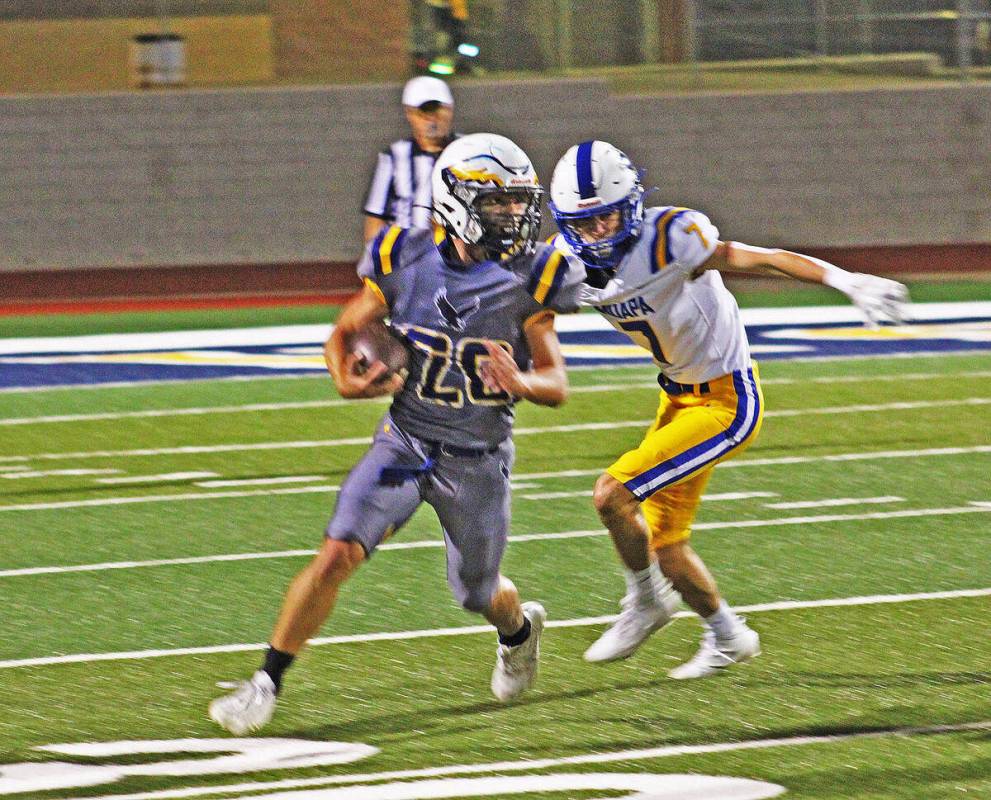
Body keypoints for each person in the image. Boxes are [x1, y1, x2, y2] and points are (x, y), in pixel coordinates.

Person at [209, 133, 585, 734]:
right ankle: (266, 681)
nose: (514, 217)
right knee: (337, 553)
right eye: (499, 204)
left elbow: (557, 382)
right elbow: (342, 333)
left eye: (519, 203)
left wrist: (521, 381)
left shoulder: (531, 276)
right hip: (406, 441)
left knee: (476, 591)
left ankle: (517, 632)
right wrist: (347, 382)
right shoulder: (403, 255)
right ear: (457, 202)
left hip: (476, 457)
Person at [547, 140, 909, 679]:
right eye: (584, 223)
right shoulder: (564, 260)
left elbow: (757, 258)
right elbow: (518, 308)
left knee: (612, 494)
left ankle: (645, 602)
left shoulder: (671, 239)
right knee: (666, 544)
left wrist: (844, 279)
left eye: (607, 219)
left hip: (727, 399)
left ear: (632, 206)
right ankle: (728, 635)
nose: (596, 233)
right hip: (677, 397)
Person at [363, 76, 458, 244]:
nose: (432, 118)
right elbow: (375, 220)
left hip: (461, 261)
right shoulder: (393, 158)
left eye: (438, 110)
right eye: (424, 111)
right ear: (409, 113)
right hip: (410, 261)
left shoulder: (470, 151)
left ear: (450, 110)